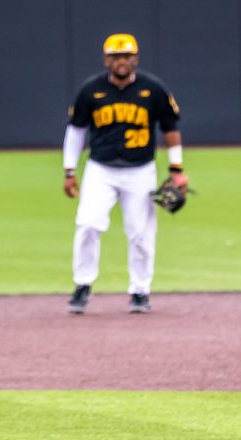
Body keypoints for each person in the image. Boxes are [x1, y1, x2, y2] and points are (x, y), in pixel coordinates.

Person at [62, 33, 187, 314]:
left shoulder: (153, 89)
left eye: (127, 56)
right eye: (116, 56)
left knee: (141, 233)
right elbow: (76, 131)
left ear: (136, 59)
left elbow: (170, 129)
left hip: (141, 170)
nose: (122, 61)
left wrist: (177, 169)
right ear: (106, 59)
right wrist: (69, 170)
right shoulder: (91, 90)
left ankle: (140, 290)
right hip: (100, 170)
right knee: (89, 224)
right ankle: (82, 284)